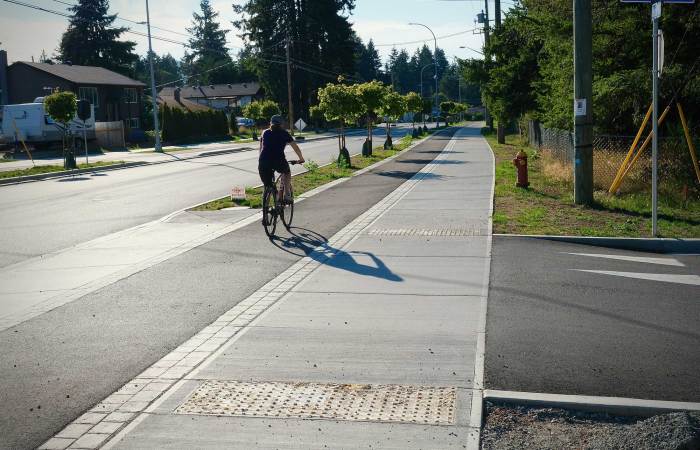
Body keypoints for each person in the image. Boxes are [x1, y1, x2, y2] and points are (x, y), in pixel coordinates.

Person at [258, 115, 305, 203]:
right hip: (278, 160)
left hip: (263, 161)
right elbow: (295, 147)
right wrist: (301, 158)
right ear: (281, 124)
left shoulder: (264, 132)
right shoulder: (284, 133)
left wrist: (262, 160)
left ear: (271, 123)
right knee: (287, 172)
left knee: (268, 185)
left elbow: (260, 149)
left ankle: (266, 209)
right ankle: (287, 194)